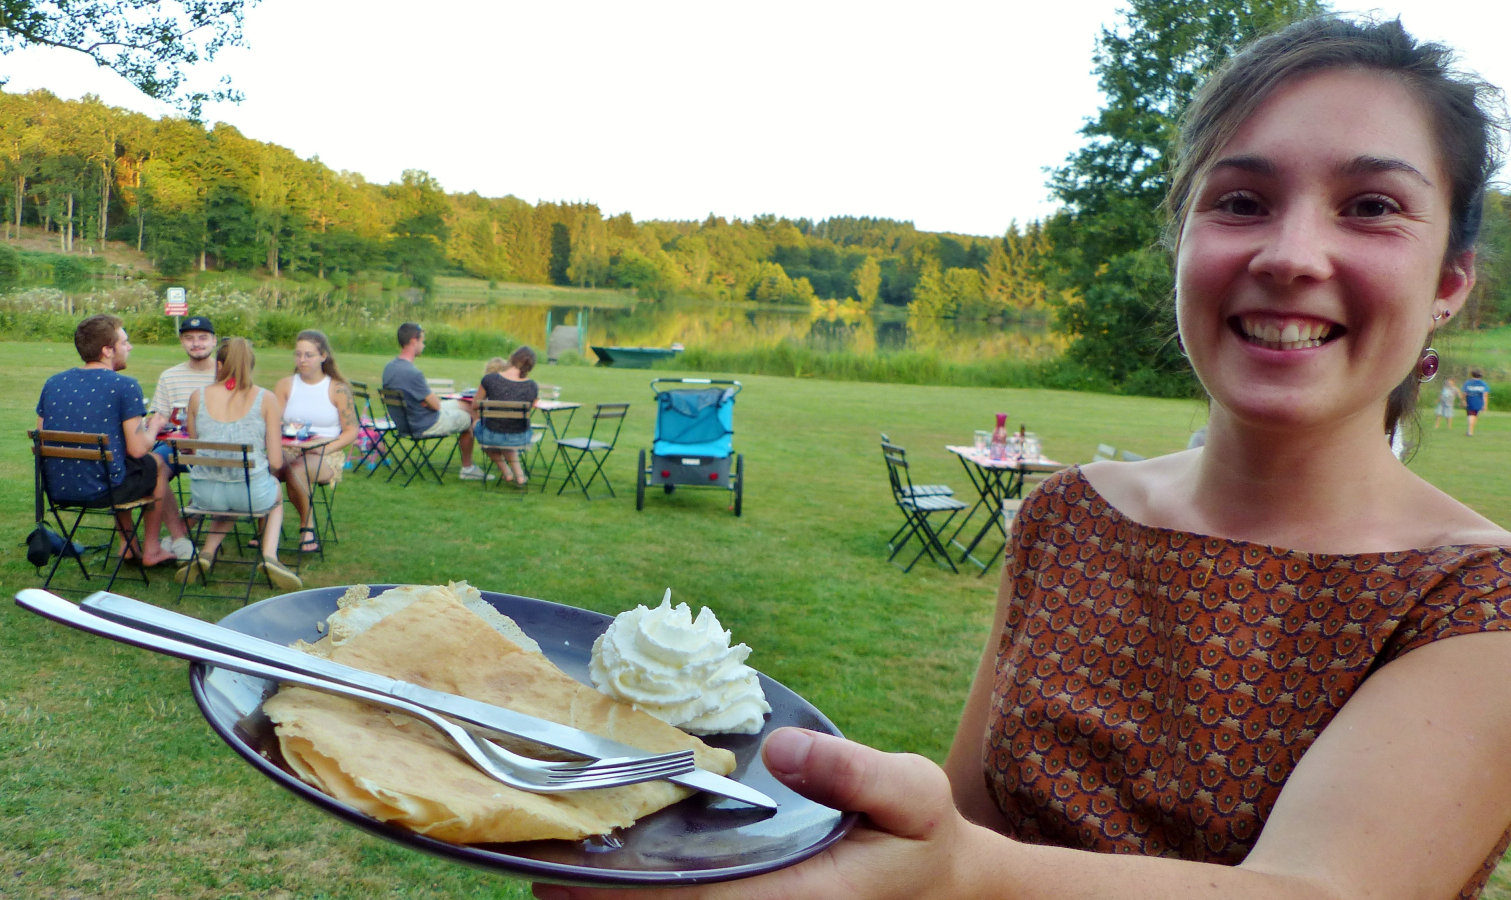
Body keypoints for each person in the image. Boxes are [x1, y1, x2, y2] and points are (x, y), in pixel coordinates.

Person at [535, 18, 1511, 900]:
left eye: (1372, 205)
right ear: (1182, 241)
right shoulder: (1067, 517)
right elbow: (959, 829)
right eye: (1242, 200)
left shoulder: (1475, 599)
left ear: (1450, 281)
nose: (1291, 253)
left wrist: (952, 871)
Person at [35, 314, 178, 566]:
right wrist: (154, 426)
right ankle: (151, 549)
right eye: (125, 342)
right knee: (155, 462)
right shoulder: (124, 386)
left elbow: (41, 441)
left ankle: (128, 545)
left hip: (58, 488)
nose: (130, 347)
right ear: (107, 350)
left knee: (116, 464)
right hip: (103, 490)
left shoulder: (53, 383)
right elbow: (137, 450)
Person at [176, 337, 301, 592]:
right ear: (251, 366)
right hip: (249, 494)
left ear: (219, 365)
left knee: (227, 492)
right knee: (273, 490)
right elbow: (276, 461)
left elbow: (193, 446)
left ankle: (207, 554)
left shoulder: (197, 397)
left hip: (204, 495)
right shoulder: (266, 399)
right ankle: (269, 556)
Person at [273, 330, 359, 554]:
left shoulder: (337, 388)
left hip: (326, 452)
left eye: (309, 355)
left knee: (297, 471)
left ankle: (307, 525)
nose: (302, 360)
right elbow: (273, 423)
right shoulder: (285, 385)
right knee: (266, 466)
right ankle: (265, 528)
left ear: (323, 356)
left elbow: (351, 431)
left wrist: (323, 449)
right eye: (298, 354)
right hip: (290, 447)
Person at [148, 314, 217, 558]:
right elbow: (160, 417)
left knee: (219, 471)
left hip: (215, 446)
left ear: (213, 341)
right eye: (189, 338)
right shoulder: (170, 375)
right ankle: (179, 538)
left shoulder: (225, 373)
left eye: (202, 338)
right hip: (176, 445)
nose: (196, 343)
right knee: (153, 466)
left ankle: (183, 531)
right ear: (182, 342)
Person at [381, 322, 488, 480]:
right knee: (469, 417)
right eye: (422, 341)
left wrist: (425, 402)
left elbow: (424, 400)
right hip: (424, 423)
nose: (423, 345)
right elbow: (436, 405)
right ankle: (469, 467)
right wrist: (427, 402)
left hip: (407, 420)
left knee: (466, 404)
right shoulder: (413, 373)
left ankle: (489, 447)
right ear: (413, 341)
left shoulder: (389, 367)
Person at [473, 345, 539, 485]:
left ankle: (507, 472)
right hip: (520, 437)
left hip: (491, 435)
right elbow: (533, 406)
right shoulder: (532, 385)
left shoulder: (490, 379)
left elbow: (475, 405)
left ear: (511, 359)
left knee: (475, 425)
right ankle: (519, 475)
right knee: (507, 435)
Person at [1463, 368, 1490, 436]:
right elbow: (1485, 395)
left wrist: (1463, 401)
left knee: (1471, 415)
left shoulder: (1468, 383)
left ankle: (1470, 431)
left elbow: (1464, 393)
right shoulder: (1483, 384)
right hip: (1479, 402)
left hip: (1470, 400)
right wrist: (1485, 405)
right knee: (1474, 415)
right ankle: (1470, 430)